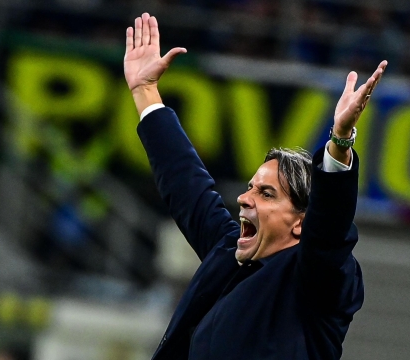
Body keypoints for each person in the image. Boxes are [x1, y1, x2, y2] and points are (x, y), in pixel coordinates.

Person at [124, 13, 387, 360]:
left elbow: (330, 230)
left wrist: (339, 142)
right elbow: (186, 183)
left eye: (266, 193)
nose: (244, 198)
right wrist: (145, 92)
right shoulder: (228, 253)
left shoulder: (317, 280)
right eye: (251, 187)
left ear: (301, 222)